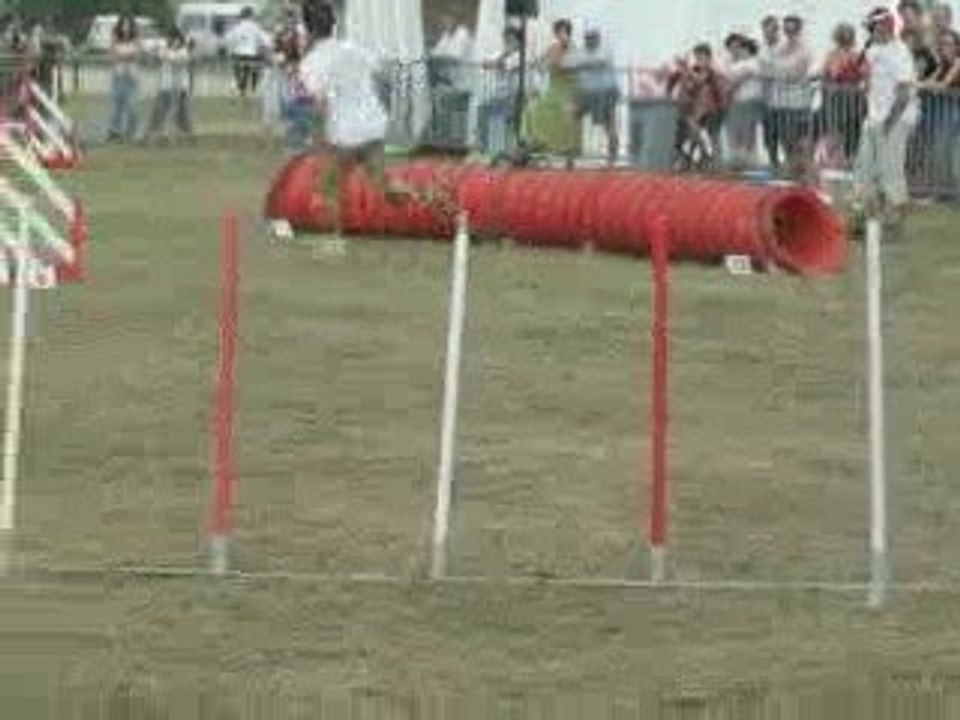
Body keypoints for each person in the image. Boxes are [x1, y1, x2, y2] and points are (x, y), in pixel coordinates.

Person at [298, 0, 419, 253]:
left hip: (345, 132)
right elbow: (378, 71)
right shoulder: (354, 48)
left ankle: (333, 242)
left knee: (326, 190)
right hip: (373, 125)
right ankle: (430, 198)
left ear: (308, 30)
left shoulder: (311, 63)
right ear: (334, 24)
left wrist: (319, 141)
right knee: (386, 186)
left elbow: (320, 105)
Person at [854, 6, 919, 227]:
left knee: (891, 168)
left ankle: (896, 219)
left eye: (873, 27)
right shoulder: (873, 50)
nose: (870, 31)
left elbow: (903, 93)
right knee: (865, 165)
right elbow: (871, 80)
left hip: (897, 118)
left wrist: (889, 123)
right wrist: (866, 86)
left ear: (885, 25)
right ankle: (868, 214)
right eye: (869, 28)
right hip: (874, 116)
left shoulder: (900, 52)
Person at [521, 18, 581, 165]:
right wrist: (536, 63)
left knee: (566, 114)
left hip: (569, 90)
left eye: (563, 32)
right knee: (531, 109)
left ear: (568, 32)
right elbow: (540, 64)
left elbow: (565, 66)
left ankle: (567, 150)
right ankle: (536, 143)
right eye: (558, 32)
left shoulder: (574, 49)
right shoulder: (553, 47)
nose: (560, 35)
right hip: (553, 91)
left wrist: (551, 62)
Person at [760, 15, 814, 176]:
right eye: (786, 29)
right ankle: (791, 168)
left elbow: (795, 74)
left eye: (792, 29)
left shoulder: (804, 50)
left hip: (799, 102)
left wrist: (777, 72)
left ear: (798, 30)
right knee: (785, 139)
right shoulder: (779, 49)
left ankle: (803, 170)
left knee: (799, 139)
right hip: (780, 102)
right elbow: (766, 69)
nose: (788, 33)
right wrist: (779, 72)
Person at [667, 43, 729, 170]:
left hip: (711, 113)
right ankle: (690, 158)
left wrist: (686, 70)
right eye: (697, 57)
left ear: (709, 58)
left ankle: (699, 158)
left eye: (702, 57)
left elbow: (701, 81)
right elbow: (678, 82)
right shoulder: (692, 70)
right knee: (688, 132)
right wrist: (678, 74)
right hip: (691, 113)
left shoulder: (712, 74)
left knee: (699, 132)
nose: (699, 60)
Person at [815, 23, 867, 166]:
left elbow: (865, 77)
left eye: (847, 35)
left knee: (852, 132)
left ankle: (849, 161)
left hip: (853, 101)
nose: (844, 38)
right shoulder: (831, 55)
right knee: (834, 132)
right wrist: (828, 87)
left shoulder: (857, 56)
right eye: (842, 34)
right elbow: (824, 76)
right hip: (835, 101)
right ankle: (831, 160)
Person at [574, 28, 621, 165]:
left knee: (609, 124)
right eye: (587, 38)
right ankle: (571, 152)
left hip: (607, 91)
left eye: (592, 38)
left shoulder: (605, 50)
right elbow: (575, 65)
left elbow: (600, 62)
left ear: (598, 39)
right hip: (588, 93)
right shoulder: (581, 52)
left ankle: (613, 155)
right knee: (572, 114)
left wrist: (583, 64)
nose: (590, 40)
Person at [144, 27, 193, 144]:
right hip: (165, 86)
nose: (174, 42)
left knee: (177, 112)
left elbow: (175, 59)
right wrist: (154, 50)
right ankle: (153, 133)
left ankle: (172, 134)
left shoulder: (183, 52)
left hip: (179, 87)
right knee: (159, 111)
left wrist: (161, 52)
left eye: (177, 40)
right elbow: (149, 51)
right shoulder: (165, 49)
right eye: (171, 39)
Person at [724, 32, 763, 167]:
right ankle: (738, 161)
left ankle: (748, 162)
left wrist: (726, 91)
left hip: (747, 102)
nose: (737, 50)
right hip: (736, 102)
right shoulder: (734, 63)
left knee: (747, 133)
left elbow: (735, 82)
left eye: (740, 48)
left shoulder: (751, 63)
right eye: (732, 47)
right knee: (735, 133)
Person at [107, 14, 141, 142]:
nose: (125, 28)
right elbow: (113, 55)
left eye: (128, 25)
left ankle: (131, 132)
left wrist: (124, 55)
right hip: (118, 76)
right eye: (123, 25)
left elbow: (137, 54)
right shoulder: (115, 39)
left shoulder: (136, 39)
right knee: (117, 106)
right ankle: (114, 131)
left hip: (132, 77)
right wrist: (126, 56)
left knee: (132, 106)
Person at [224, 7, 271, 99]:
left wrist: (231, 50)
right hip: (252, 54)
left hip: (238, 54)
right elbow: (263, 40)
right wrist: (263, 47)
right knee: (254, 68)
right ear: (250, 15)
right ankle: (253, 88)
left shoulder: (237, 26)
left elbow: (229, 39)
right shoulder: (255, 26)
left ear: (242, 15)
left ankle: (239, 86)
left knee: (238, 68)